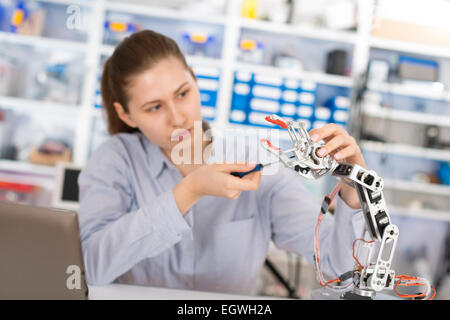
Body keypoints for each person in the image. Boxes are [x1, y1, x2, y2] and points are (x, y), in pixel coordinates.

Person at [78, 30, 366, 295]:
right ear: (126, 115)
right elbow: (90, 266)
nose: (177, 117)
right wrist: (189, 191)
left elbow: (340, 267)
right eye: (154, 107)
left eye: (183, 93)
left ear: (194, 78)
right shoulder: (116, 160)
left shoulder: (258, 163)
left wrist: (355, 190)